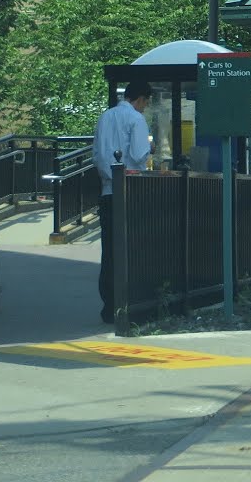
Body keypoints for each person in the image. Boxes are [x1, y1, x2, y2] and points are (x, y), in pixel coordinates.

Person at [93, 81, 153, 323]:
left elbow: (97, 154)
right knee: (131, 250)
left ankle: (109, 305)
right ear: (141, 99)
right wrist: (151, 148)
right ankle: (130, 303)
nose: (146, 107)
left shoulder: (104, 117)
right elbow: (139, 154)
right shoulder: (136, 119)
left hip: (108, 192)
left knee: (109, 251)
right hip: (130, 191)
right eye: (147, 102)